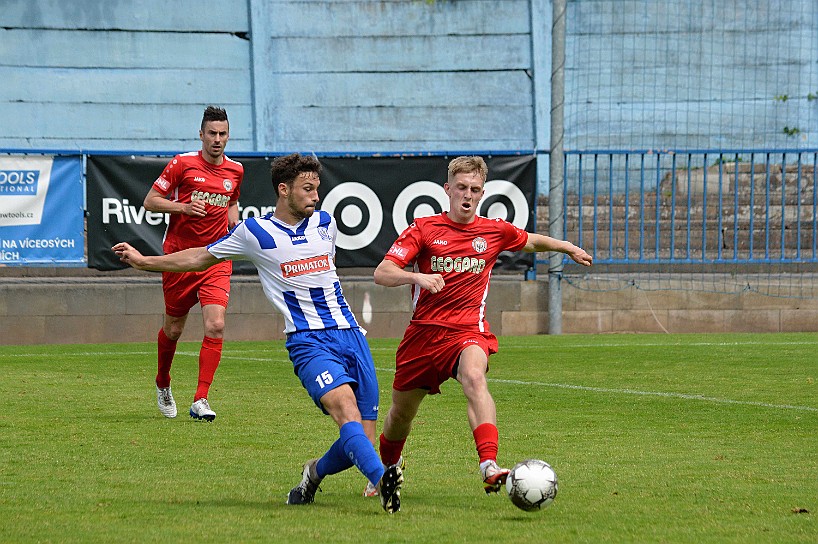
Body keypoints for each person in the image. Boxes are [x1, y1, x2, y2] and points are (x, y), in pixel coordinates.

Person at [113, 153, 404, 513]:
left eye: (317, 189)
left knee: (358, 441)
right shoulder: (254, 232)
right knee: (346, 415)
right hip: (308, 343)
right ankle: (382, 480)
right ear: (283, 190)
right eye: (307, 189)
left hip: (352, 337)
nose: (316, 196)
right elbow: (198, 258)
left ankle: (312, 474)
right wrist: (144, 262)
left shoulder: (326, 223)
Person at [373, 156, 592, 497]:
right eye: (461, 187)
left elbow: (530, 240)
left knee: (475, 377)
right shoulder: (424, 229)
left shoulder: (494, 231)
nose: (468, 195)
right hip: (422, 336)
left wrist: (566, 247)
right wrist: (416, 275)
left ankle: (489, 465)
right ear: (447, 189)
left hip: (467, 332)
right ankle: (387, 472)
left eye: (475, 189)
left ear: (483, 193)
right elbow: (382, 272)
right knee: (400, 415)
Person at [142, 106, 244, 422]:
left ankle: (201, 399)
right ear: (201, 134)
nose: (217, 139)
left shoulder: (236, 170)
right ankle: (163, 381)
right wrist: (183, 207)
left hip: (215, 258)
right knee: (173, 329)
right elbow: (150, 201)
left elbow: (232, 204)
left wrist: (236, 232)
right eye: (212, 133)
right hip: (180, 259)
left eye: (223, 133)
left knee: (216, 323)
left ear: (228, 135)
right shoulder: (182, 164)